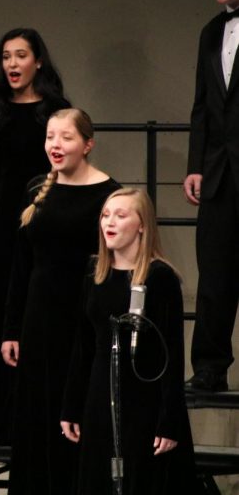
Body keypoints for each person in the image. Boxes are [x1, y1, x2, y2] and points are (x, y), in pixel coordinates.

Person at [0, 28, 69, 445]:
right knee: (1, 312)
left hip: (45, 225)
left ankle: (39, 414)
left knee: (38, 311)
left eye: (21, 55)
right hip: (5, 224)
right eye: (6, 57)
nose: (12, 64)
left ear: (38, 61)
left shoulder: (56, 111)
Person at [1, 107, 119, 495]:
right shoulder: (37, 188)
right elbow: (21, 266)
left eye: (66, 137)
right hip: (38, 320)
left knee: (77, 418)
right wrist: (11, 329)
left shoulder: (108, 193)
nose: (55, 144)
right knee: (36, 417)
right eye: (51, 136)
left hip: (82, 321)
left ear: (87, 144)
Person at [61, 188, 200, 495]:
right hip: (100, 395)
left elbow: (172, 355)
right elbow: (82, 346)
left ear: (141, 224)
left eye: (120, 215)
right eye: (105, 215)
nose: (109, 222)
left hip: (144, 399)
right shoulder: (93, 274)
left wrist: (169, 420)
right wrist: (71, 406)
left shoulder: (159, 277)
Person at [183, 0, 239, 393]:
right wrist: (195, 164)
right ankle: (209, 366)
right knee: (215, 270)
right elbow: (202, 104)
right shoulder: (208, 31)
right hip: (220, 171)